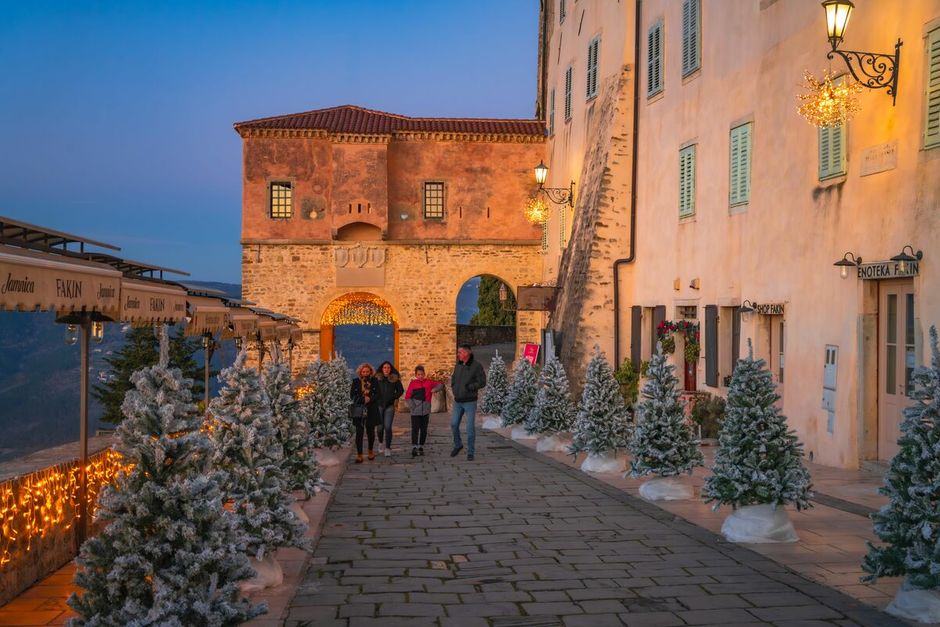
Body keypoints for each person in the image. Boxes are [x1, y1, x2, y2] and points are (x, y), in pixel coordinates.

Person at [450, 344, 486, 461]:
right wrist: (454, 388)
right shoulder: (458, 365)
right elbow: (454, 378)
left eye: (460, 352)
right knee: (454, 424)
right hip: (458, 401)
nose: (458, 354)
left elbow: (482, 382)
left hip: (470, 401)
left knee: (470, 428)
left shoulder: (476, 366)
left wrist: (470, 387)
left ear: (467, 353)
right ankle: (458, 444)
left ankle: (470, 452)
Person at [404, 365, 443, 458]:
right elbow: (407, 396)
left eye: (422, 374)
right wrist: (413, 407)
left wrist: (434, 390)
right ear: (416, 375)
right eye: (418, 374)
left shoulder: (429, 382)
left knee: (424, 429)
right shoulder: (413, 383)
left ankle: (421, 446)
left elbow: (440, 384)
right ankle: (414, 447)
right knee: (415, 429)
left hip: (425, 410)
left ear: (424, 374)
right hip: (415, 412)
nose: (420, 376)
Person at [350, 363, 381, 463]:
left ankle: (370, 451)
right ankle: (359, 454)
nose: (365, 373)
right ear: (360, 372)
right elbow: (352, 395)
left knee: (370, 432)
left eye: (367, 371)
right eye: (363, 372)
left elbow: (378, 394)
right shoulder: (355, 382)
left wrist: (370, 398)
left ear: (371, 372)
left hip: (371, 409)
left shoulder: (375, 381)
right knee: (359, 432)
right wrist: (363, 399)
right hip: (359, 409)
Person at [375, 361, 404, 457]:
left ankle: (387, 448)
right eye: (385, 367)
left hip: (390, 406)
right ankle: (380, 443)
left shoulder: (394, 379)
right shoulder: (377, 379)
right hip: (379, 406)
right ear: (382, 369)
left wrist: (393, 397)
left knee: (387, 427)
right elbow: (372, 390)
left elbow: (401, 390)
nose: (386, 369)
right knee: (380, 427)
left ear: (391, 369)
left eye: (388, 367)